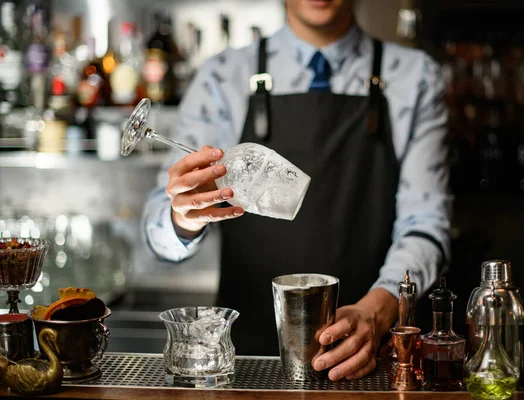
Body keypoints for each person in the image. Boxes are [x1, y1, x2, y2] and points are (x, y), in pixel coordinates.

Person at [143, 0, 451, 381]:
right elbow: (158, 239)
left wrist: (379, 309)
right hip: (249, 367)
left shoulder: (415, 76)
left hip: (372, 361)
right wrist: (182, 219)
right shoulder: (223, 75)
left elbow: (427, 225)